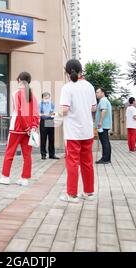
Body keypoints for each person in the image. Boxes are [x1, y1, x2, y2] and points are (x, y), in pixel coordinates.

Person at [58, 59, 97, 203]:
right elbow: (93, 108)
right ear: (81, 69)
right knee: (87, 162)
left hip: (73, 132)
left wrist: (56, 113)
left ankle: (71, 194)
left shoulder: (67, 88)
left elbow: (65, 109)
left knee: (73, 162)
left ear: (68, 72)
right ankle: (89, 192)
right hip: (87, 130)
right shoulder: (90, 86)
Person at [0, 72, 40, 187]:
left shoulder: (16, 93)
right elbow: (36, 113)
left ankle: (5, 177)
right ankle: (24, 178)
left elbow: (19, 112)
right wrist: (33, 127)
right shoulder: (33, 95)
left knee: (9, 152)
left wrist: (26, 127)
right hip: (30, 129)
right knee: (27, 155)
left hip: (17, 128)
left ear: (20, 79)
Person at [95, 88, 112, 164]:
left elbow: (104, 110)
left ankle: (105, 159)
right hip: (104, 125)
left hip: (103, 125)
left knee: (104, 142)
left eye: (97, 92)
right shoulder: (104, 100)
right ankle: (106, 158)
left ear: (102, 93)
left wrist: (100, 122)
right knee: (106, 142)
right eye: (96, 92)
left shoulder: (103, 100)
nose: (96, 94)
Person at [39, 92, 59, 160]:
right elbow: (38, 113)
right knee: (43, 138)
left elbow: (54, 113)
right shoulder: (40, 104)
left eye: (48, 98)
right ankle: (43, 154)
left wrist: (51, 115)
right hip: (43, 121)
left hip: (50, 121)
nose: (47, 99)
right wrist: (45, 115)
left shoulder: (52, 105)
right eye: (45, 98)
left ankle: (52, 154)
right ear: (42, 98)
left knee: (51, 138)